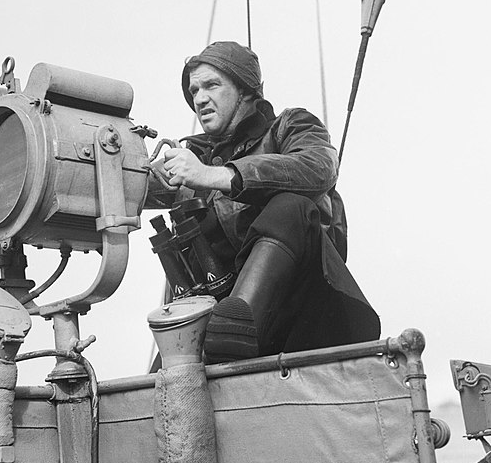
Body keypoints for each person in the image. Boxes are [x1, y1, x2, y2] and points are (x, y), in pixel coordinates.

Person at [148, 41, 380, 363]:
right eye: (194, 90)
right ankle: (220, 336)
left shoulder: (290, 127)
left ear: (245, 90)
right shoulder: (193, 163)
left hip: (303, 314)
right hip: (216, 328)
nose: (200, 98)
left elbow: (318, 167)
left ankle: (234, 326)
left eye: (212, 85)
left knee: (291, 206)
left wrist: (216, 176)